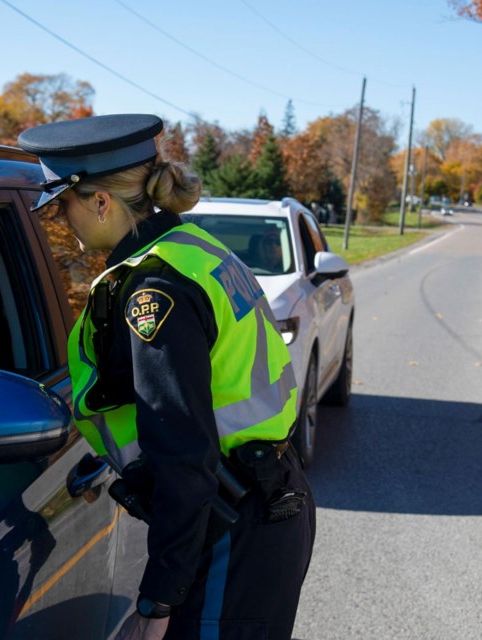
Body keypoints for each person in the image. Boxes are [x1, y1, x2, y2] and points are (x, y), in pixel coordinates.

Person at [18, 114, 315, 640]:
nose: (64, 220)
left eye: (64, 204)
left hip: (229, 526)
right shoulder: (190, 248)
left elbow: (184, 456)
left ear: (101, 201)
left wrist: (158, 602)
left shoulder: (154, 293)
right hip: (261, 501)